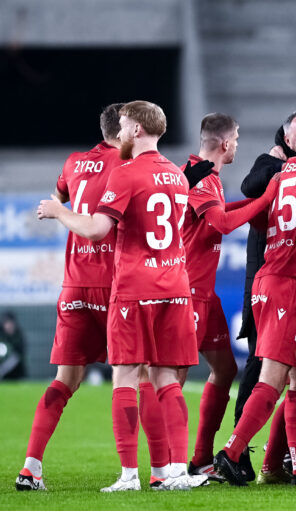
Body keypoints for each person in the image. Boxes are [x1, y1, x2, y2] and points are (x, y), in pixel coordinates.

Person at [37, 100, 205, 491]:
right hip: (175, 287)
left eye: (127, 125)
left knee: (126, 377)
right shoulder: (177, 177)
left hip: (134, 288)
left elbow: (96, 229)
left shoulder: (127, 173)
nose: (123, 131)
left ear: (138, 131)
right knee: (167, 380)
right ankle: (176, 472)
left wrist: (57, 211)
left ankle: (130, 475)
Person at [213, 119, 296, 486]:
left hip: (270, 279)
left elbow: (255, 213)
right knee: (273, 381)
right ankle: (231, 452)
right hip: (288, 285)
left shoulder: (283, 171)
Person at [16, 104, 125, 492]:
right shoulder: (129, 164)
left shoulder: (75, 161)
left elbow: (59, 195)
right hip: (116, 285)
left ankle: (30, 468)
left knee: (64, 382)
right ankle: (158, 471)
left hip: (74, 284)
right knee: (139, 377)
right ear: (127, 128)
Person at [180, 113, 278, 481]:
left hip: (204, 293)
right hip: (185, 290)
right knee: (173, 378)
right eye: (236, 138)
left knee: (224, 369)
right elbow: (221, 224)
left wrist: (257, 205)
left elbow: (222, 213)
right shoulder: (200, 176)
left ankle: (202, 458)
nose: (237, 144)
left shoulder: (209, 176)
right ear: (224, 143)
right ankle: (168, 466)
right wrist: (267, 197)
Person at [234, 109, 296, 478]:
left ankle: (281, 461)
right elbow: (250, 186)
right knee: (265, 369)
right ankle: (237, 451)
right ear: (286, 140)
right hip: (277, 281)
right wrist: (280, 164)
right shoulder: (274, 166)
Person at [0, 311, 26, 380]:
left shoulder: (19, 337)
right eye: (6, 323)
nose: (8, 326)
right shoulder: (1, 336)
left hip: (17, 374)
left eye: (10, 323)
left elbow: (17, 357)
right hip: (4, 378)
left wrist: (2, 370)